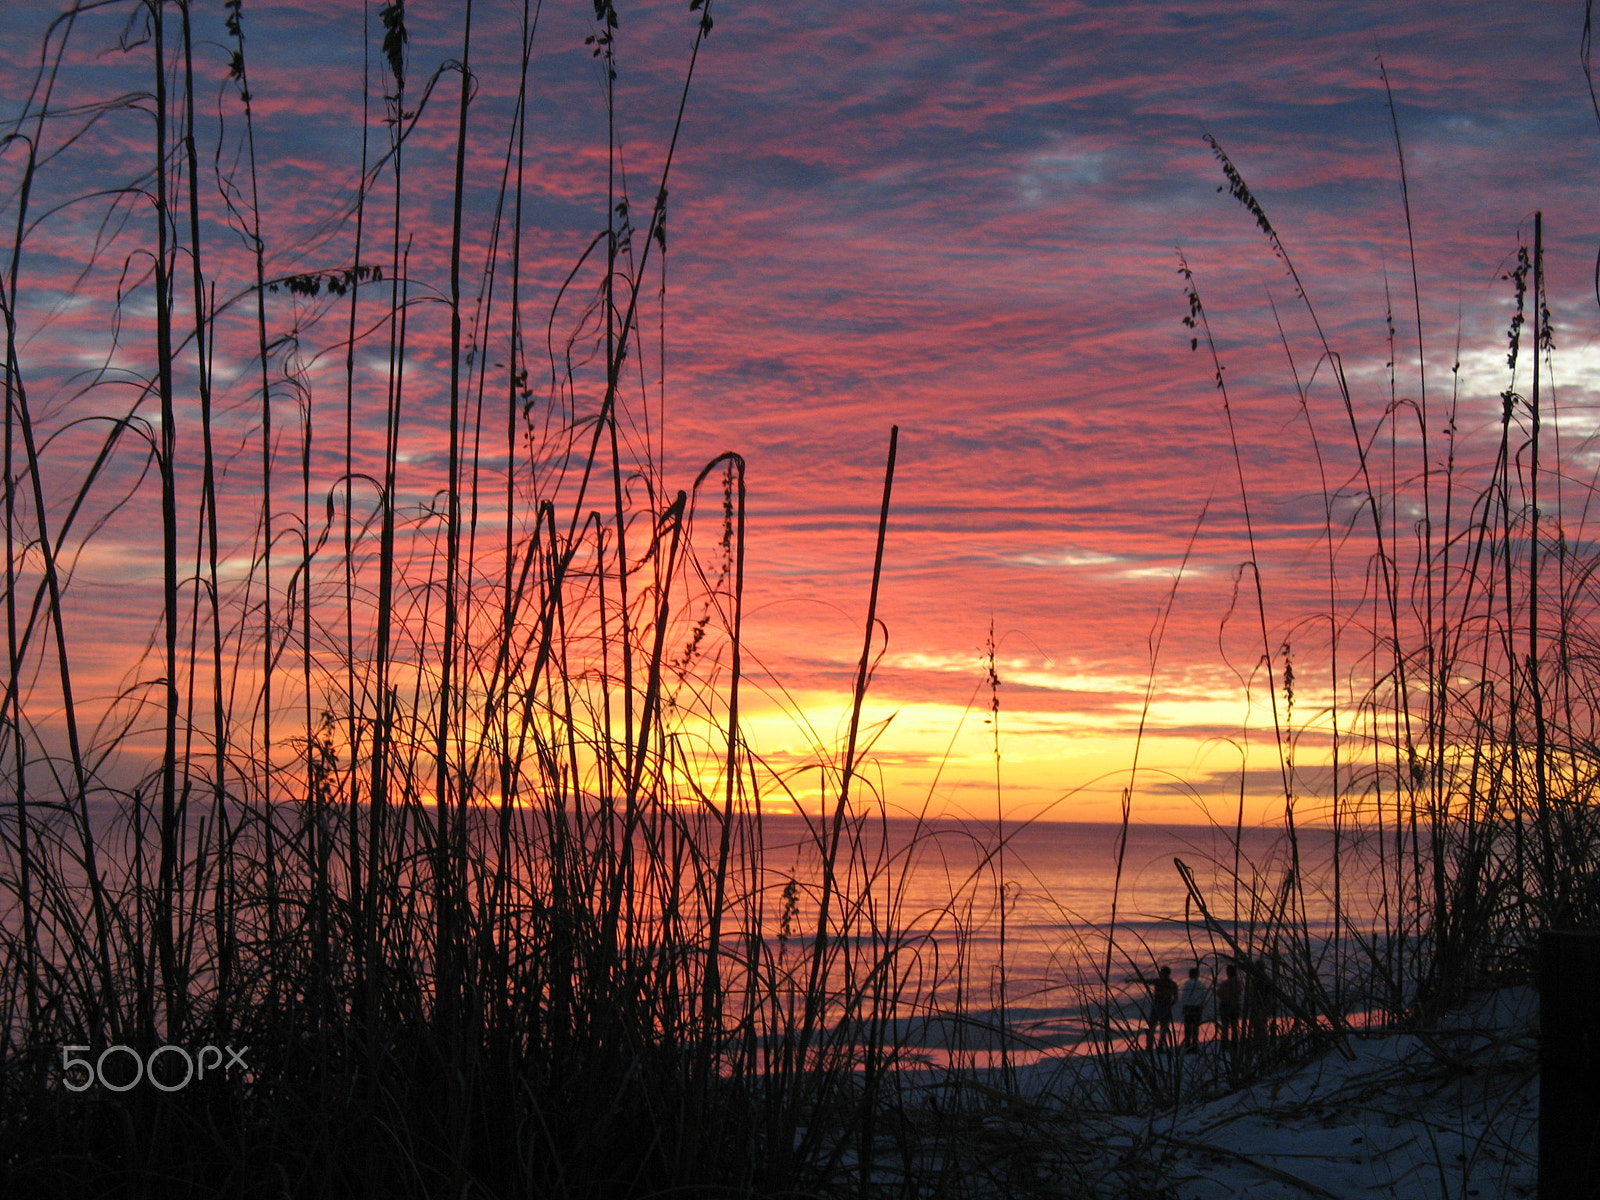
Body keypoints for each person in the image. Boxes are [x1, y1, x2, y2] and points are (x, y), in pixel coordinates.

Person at [1144, 964, 1178, 1049]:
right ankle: (1159, 1046)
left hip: (1157, 1007)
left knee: (1153, 1027)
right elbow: (1175, 998)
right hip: (1165, 1007)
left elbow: (1145, 981)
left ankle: (1151, 1046)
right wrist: (1170, 1004)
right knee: (1162, 1028)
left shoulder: (1159, 982)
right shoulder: (1172, 984)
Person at [1179, 965, 1207, 1051]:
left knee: (1187, 1027)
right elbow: (1203, 997)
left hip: (1188, 1007)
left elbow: (1184, 996)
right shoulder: (1201, 984)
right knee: (1195, 1027)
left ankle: (1188, 1044)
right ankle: (1195, 1044)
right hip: (1197, 1007)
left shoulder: (1188, 983)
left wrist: (1183, 1006)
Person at [1215, 963, 1243, 1046]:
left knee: (1225, 1027)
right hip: (1235, 1006)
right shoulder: (1238, 983)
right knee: (1234, 1026)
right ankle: (1234, 1044)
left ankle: (1225, 1044)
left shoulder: (1225, 984)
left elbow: (1219, 993)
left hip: (1226, 1006)